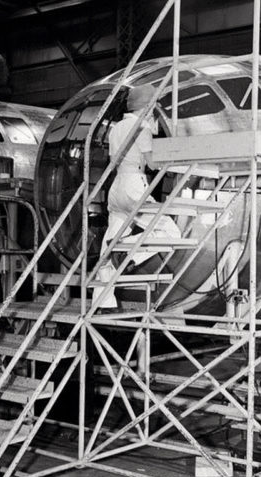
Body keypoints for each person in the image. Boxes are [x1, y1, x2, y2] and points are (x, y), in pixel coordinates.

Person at [93, 84, 181, 310]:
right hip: (135, 184)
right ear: (147, 106)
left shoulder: (117, 127)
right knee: (172, 233)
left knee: (110, 240)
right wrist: (176, 160)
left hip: (117, 186)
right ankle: (127, 255)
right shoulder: (140, 126)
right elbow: (151, 162)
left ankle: (103, 300)